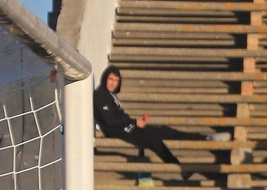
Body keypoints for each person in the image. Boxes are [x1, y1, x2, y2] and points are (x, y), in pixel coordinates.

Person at [94, 66, 228, 173]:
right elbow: (110, 121)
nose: (113, 83)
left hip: (128, 128)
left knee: (165, 131)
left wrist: (136, 122)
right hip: (118, 132)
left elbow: (119, 118)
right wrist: (135, 122)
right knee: (153, 138)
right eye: (111, 79)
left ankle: (204, 139)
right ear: (105, 78)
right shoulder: (100, 95)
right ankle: (177, 166)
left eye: (116, 81)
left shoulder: (110, 95)